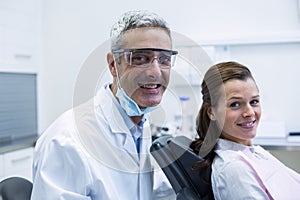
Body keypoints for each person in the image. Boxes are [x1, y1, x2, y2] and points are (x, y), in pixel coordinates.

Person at [31, 10, 178, 199]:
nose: (155, 72)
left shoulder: (138, 123)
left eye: (164, 59)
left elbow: (135, 186)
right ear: (113, 65)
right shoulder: (67, 142)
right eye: (140, 58)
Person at [190, 61, 300, 200]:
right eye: (235, 104)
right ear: (212, 112)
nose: (250, 113)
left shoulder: (251, 152)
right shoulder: (234, 169)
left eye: (254, 101)